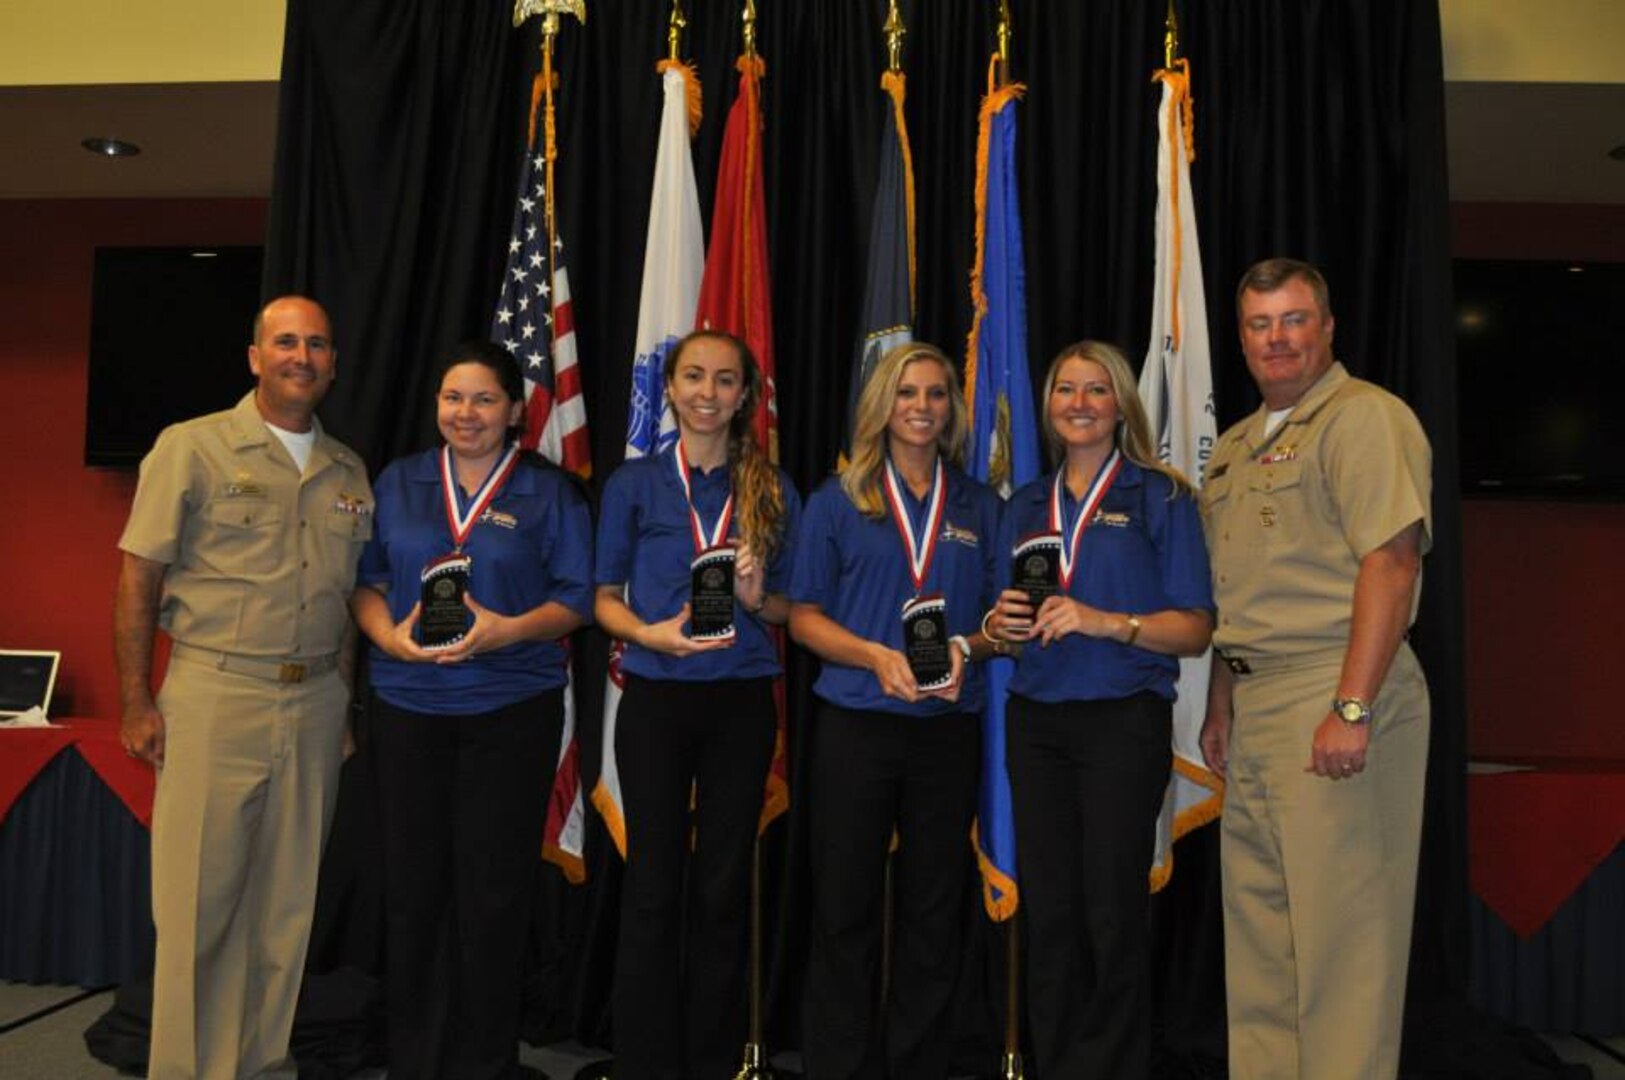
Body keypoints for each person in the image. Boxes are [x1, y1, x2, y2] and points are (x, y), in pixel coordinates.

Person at [114, 295, 373, 1080]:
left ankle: (261, 1065)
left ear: (332, 362)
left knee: (286, 907)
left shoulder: (347, 469)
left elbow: (347, 596)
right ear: (255, 356)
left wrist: (345, 699)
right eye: (285, 341)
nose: (302, 355)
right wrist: (136, 698)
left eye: (318, 343)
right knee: (200, 904)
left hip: (317, 703)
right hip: (215, 693)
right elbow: (138, 576)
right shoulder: (191, 448)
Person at [1198, 258, 1431, 1079]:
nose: (1277, 339)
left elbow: (1392, 564)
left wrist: (1354, 706)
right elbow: (1239, 581)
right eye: (1260, 325)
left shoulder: (1363, 418)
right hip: (1260, 700)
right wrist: (1223, 698)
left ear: (1327, 327)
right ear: (1242, 339)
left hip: (1335, 685)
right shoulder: (1234, 446)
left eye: (1294, 320)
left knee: (1343, 944)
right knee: (1265, 940)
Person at [350, 340, 593, 1080]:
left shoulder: (549, 493)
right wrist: (387, 637)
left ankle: (484, 1060)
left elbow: (577, 600)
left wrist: (505, 630)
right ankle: (416, 1057)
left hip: (509, 710)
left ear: (515, 411)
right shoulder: (397, 481)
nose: (467, 413)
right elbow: (362, 583)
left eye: (484, 399)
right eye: (453, 398)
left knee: (493, 890)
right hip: (408, 707)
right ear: (436, 407)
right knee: (414, 886)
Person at [983, 340, 1213, 1079]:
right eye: (1064, 391)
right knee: (1048, 910)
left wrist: (1107, 621)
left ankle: (1111, 1067)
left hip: (1122, 721)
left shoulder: (1161, 496)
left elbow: (1197, 627)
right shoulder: (1022, 504)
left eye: (1095, 390)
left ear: (1120, 406)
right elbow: (1002, 625)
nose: (1078, 404)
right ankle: (1056, 1065)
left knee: (1110, 911)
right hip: (1037, 722)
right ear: (1047, 408)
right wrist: (999, 628)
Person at [789, 341, 1000, 1080]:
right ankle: (838, 1066)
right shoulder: (837, 501)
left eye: (936, 394)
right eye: (907, 392)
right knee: (843, 909)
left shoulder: (978, 504)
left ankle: (919, 1064)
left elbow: (1004, 621)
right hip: (855, 723)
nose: (921, 406)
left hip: (947, 730)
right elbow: (802, 617)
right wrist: (875, 657)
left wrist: (964, 651)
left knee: (934, 911)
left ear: (952, 409)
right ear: (882, 404)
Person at [594, 330, 801, 1080]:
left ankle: (713, 1060)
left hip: (739, 706)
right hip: (653, 697)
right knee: (651, 878)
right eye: (693, 378)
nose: (707, 393)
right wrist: (649, 633)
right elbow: (602, 599)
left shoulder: (771, 486)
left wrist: (755, 597)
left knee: (720, 884)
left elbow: (787, 611)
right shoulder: (633, 484)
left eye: (723, 380)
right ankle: (646, 1060)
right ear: (670, 389)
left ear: (744, 395)